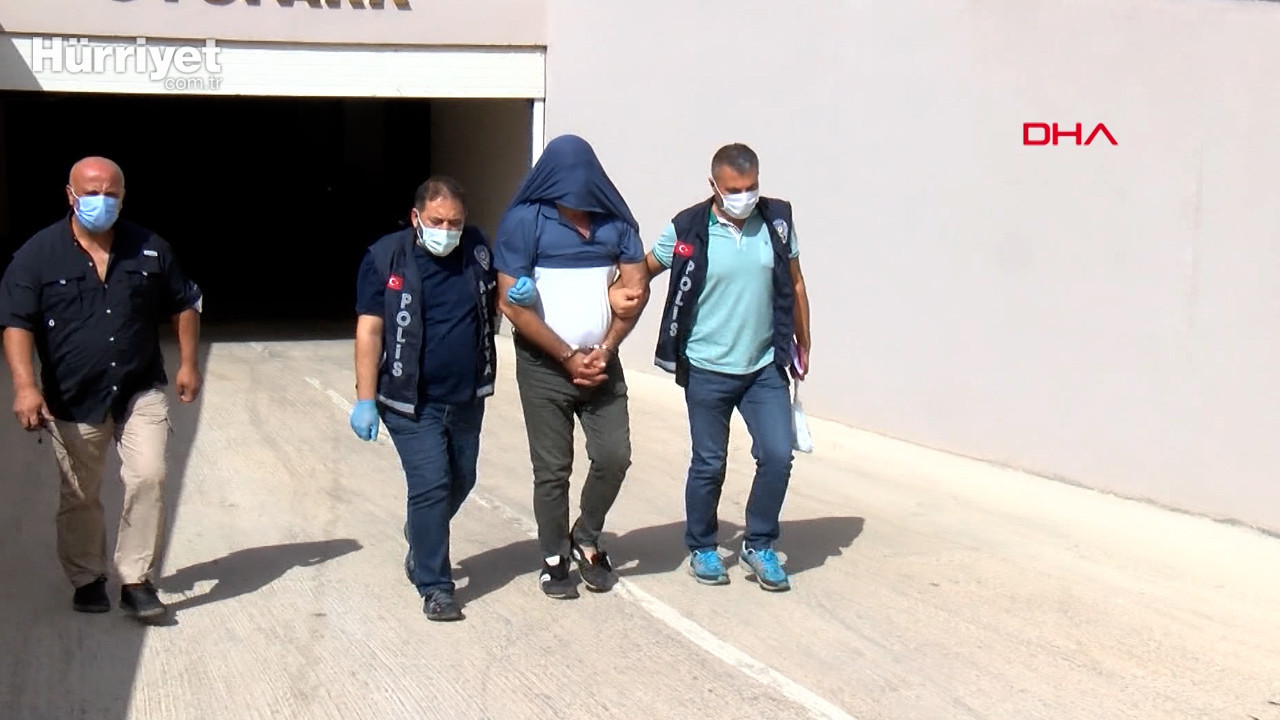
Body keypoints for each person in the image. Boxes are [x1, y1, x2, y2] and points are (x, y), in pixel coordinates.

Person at [0, 156, 204, 620]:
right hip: (73, 394)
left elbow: (185, 303)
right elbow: (17, 323)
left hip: (139, 388)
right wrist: (25, 386)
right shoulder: (38, 254)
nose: (102, 201)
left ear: (123, 197)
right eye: (91, 193)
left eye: (111, 193)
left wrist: (189, 364)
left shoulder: (150, 247)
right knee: (80, 492)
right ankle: (87, 577)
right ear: (70, 195)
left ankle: (135, 580)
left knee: (149, 476)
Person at [625, 143, 811, 592]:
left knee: (777, 455)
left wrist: (803, 338)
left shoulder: (777, 221)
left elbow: (795, 281)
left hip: (763, 366)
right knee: (709, 462)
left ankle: (759, 543)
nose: (744, 196)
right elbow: (645, 269)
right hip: (707, 367)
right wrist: (614, 296)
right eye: (733, 189)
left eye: (751, 187)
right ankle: (703, 546)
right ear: (714, 185)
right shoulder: (688, 228)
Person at [494, 134, 650, 599]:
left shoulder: (617, 224)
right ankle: (553, 556)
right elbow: (510, 303)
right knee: (552, 469)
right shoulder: (525, 222)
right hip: (544, 366)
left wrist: (606, 347)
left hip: (602, 365)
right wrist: (566, 356)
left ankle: (586, 535)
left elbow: (636, 290)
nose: (577, 190)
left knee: (614, 456)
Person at [348, 176, 498, 622]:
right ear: (416, 217)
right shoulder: (385, 257)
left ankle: (421, 531)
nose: (446, 230)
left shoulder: (477, 249)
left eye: (454, 222)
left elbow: (498, 294)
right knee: (431, 485)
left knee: (462, 478)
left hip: (467, 395)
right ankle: (435, 585)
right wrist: (365, 398)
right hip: (409, 400)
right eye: (437, 221)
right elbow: (370, 329)